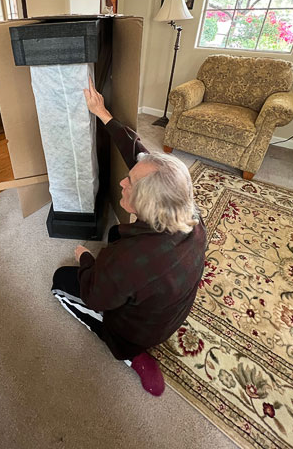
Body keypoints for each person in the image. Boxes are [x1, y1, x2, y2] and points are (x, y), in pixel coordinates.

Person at [51, 77, 207, 396]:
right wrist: (102, 113)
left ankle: (132, 355)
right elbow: (142, 158)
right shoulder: (190, 215)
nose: (123, 182)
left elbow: (96, 296)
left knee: (61, 280)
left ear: (147, 203)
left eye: (130, 184)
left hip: (135, 333)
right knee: (114, 234)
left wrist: (87, 260)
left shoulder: (129, 259)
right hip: (169, 313)